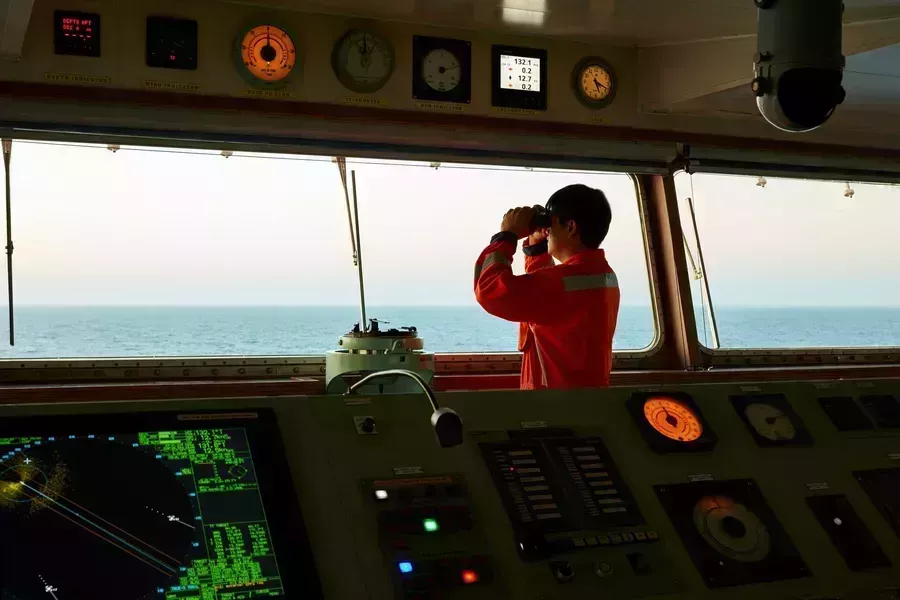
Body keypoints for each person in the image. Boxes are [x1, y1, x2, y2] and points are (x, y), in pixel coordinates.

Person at [474, 184, 619, 390]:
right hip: (583, 398)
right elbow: (547, 296)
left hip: (553, 406)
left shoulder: (558, 284)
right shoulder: (603, 275)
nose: (547, 231)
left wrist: (506, 236)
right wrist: (537, 249)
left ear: (570, 227)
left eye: (550, 224)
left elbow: (490, 290)